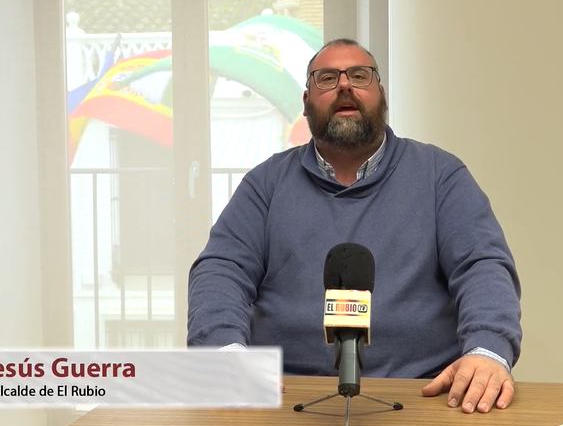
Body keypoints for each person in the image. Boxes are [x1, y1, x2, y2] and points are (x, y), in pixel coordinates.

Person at [187, 38, 522, 414]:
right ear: (306, 102)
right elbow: (221, 270)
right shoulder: (266, 183)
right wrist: (224, 351)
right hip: (284, 395)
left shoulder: (439, 175)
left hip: (423, 395)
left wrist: (487, 350)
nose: (345, 85)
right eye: (327, 78)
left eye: (359, 76)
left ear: (382, 95)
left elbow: (482, 266)